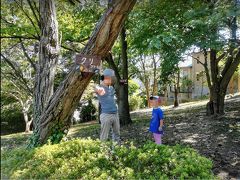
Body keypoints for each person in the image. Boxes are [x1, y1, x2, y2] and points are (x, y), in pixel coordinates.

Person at [94, 69, 120, 143]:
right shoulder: (100, 87)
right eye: (111, 78)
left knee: (117, 134)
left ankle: (116, 151)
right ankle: (103, 152)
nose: (112, 80)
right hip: (106, 115)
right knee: (104, 136)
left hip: (115, 114)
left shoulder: (111, 87)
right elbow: (97, 88)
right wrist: (98, 89)